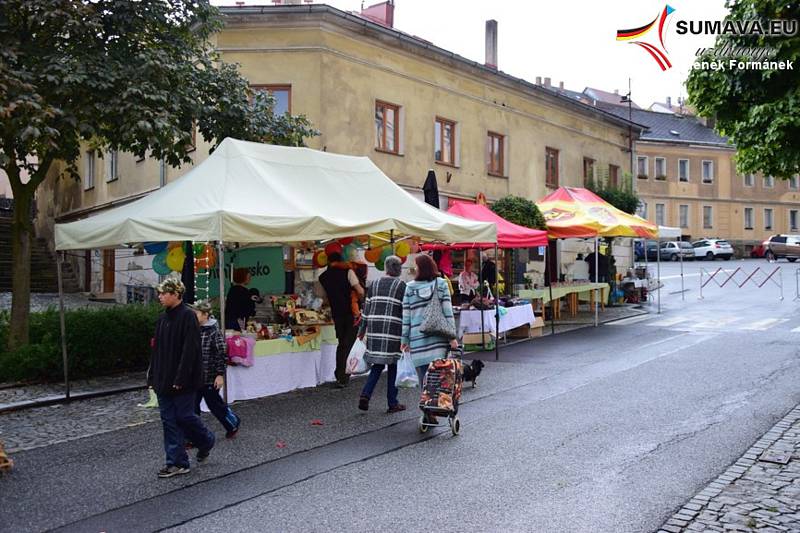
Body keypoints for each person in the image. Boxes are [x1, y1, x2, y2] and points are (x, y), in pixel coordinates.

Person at [149, 279, 215, 478]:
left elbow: (190, 350)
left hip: (183, 380)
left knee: (184, 416)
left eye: (164, 293)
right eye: (159, 293)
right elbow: (157, 351)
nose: (160, 297)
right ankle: (176, 462)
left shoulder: (187, 317)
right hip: (163, 379)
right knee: (168, 420)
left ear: (176, 294)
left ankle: (206, 440)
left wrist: (181, 376)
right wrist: (152, 375)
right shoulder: (162, 319)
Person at [400, 254, 458, 393]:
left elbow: (406, 317)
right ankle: (438, 407)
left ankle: (426, 411)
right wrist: (452, 337)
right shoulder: (441, 284)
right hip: (438, 338)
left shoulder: (409, 288)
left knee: (424, 381)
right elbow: (447, 312)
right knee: (439, 379)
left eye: (416, 266)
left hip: (417, 341)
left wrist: (404, 340)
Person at [357, 255, 407, 413]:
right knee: (393, 365)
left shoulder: (374, 284)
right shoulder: (401, 286)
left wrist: (361, 331)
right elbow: (405, 311)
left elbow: (366, 309)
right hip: (393, 330)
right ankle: (392, 402)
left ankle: (366, 394)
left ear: (385, 268)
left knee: (378, 365)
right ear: (399, 270)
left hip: (375, 328)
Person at [190, 300, 241, 439]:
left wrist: (219, 375)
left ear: (205, 315)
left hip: (210, 376)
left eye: (197, 313)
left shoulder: (214, 332)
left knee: (215, 405)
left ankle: (232, 422)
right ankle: (194, 437)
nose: (194, 315)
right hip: (194, 376)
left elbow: (221, 353)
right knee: (192, 407)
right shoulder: (193, 329)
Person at [319, 251, 365, 387]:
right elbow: (360, 291)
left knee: (341, 344)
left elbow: (323, 297)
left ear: (328, 261)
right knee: (348, 344)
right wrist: (360, 300)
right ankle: (345, 374)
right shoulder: (348, 272)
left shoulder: (323, 277)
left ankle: (340, 374)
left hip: (337, 313)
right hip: (351, 312)